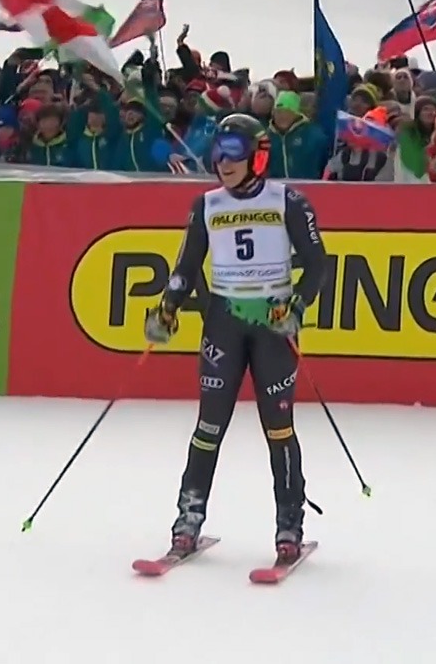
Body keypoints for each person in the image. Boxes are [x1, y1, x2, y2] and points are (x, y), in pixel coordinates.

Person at [141, 113, 328, 565]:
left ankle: (289, 526)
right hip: (223, 320)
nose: (223, 162)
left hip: (271, 322)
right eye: (218, 153)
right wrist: (167, 306)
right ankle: (188, 520)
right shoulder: (206, 204)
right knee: (209, 426)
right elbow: (187, 267)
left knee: (278, 429)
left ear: (257, 157)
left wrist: (297, 305)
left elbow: (317, 262)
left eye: (234, 154)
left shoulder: (289, 201)